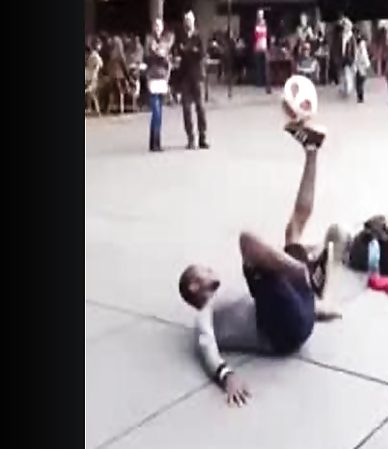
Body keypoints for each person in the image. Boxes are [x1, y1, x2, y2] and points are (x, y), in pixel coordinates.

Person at [178, 122, 344, 406]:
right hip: (281, 333)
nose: (210, 268)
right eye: (203, 270)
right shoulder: (205, 313)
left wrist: (316, 312)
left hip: (296, 317)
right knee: (247, 241)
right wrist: (226, 376)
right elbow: (206, 345)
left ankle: (312, 150)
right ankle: (305, 271)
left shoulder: (229, 297)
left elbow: (272, 299)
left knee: (293, 230)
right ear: (195, 285)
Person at [176, 11, 209, 149]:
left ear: (194, 21)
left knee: (200, 107)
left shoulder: (199, 36)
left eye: (190, 20)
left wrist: (188, 51)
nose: (188, 22)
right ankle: (190, 138)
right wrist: (189, 51)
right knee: (186, 109)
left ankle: (202, 137)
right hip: (185, 77)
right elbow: (179, 54)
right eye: (186, 20)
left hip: (197, 76)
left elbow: (202, 53)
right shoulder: (181, 37)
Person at [145, 18, 174, 152]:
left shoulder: (164, 41)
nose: (157, 28)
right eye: (155, 25)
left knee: (160, 112)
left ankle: (156, 142)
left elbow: (167, 58)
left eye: (159, 26)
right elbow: (148, 56)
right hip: (152, 77)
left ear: (162, 28)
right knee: (156, 111)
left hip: (162, 78)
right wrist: (157, 53)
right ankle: (154, 141)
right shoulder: (149, 40)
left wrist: (164, 56)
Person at [106, 36, 131, 114]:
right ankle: (121, 108)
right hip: (120, 75)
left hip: (112, 75)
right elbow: (124, 66)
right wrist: (128, 76)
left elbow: (108, 65)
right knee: (121, 92)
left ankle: (110, 108)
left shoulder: (111, 54)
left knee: (112, 91)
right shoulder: (120, 54)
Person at [85, 38, 103, 115]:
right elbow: (99, 65)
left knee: (92, 93)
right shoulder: (94, 55)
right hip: (92, 75)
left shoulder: (93, 55)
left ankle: (94, 109)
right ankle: (95, 109)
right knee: (92, 93)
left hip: (90, 75)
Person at [339, 18, 356, 98]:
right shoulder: (341, 35)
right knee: (342, 74)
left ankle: (348, 89)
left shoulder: (351, 37)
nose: (345, 27)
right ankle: (343, 88)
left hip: (348, 58)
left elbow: (354, 49)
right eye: (344, 26)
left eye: (346, 26)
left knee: (347, 74)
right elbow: (339, 46)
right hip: (341, 57)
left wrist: (353, 59)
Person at [253, 9, 269, 88]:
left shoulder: (264, 23)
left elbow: (265, 34)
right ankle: (258, 82)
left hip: (264, 45)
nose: (261, 15)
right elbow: (256, 35)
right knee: (258, 65)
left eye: (262, 14)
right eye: (259, 14)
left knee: (264, 65)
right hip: (258, 46)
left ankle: (264, 81)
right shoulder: (256, 23)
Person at [354, 32, 370, 103]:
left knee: (359, 83)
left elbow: (363, 56)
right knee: (360, 82)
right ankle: (360, 97)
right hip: (361, 66)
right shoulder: (361, 46)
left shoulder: (361, 46)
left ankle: (360, 97)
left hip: (361, 67)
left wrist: (365, 65)